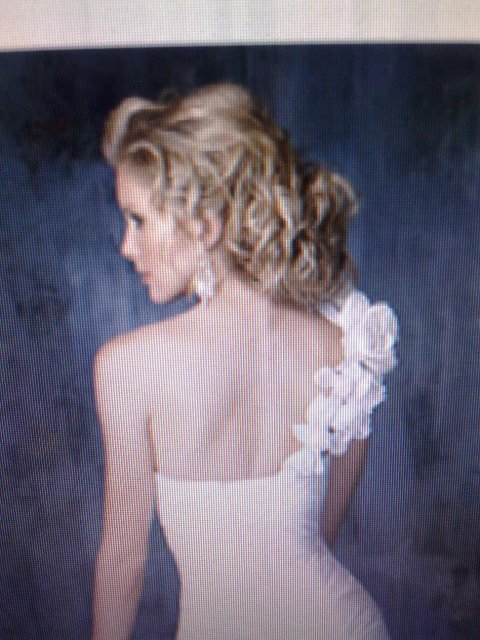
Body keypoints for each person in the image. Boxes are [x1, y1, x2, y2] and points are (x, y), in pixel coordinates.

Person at [92, 83, 399, 640]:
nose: (126, 246)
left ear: (205, 225)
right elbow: (325, 532)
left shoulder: (127, 367)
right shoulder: (347, 347)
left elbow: (122, 562)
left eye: (138, 220)